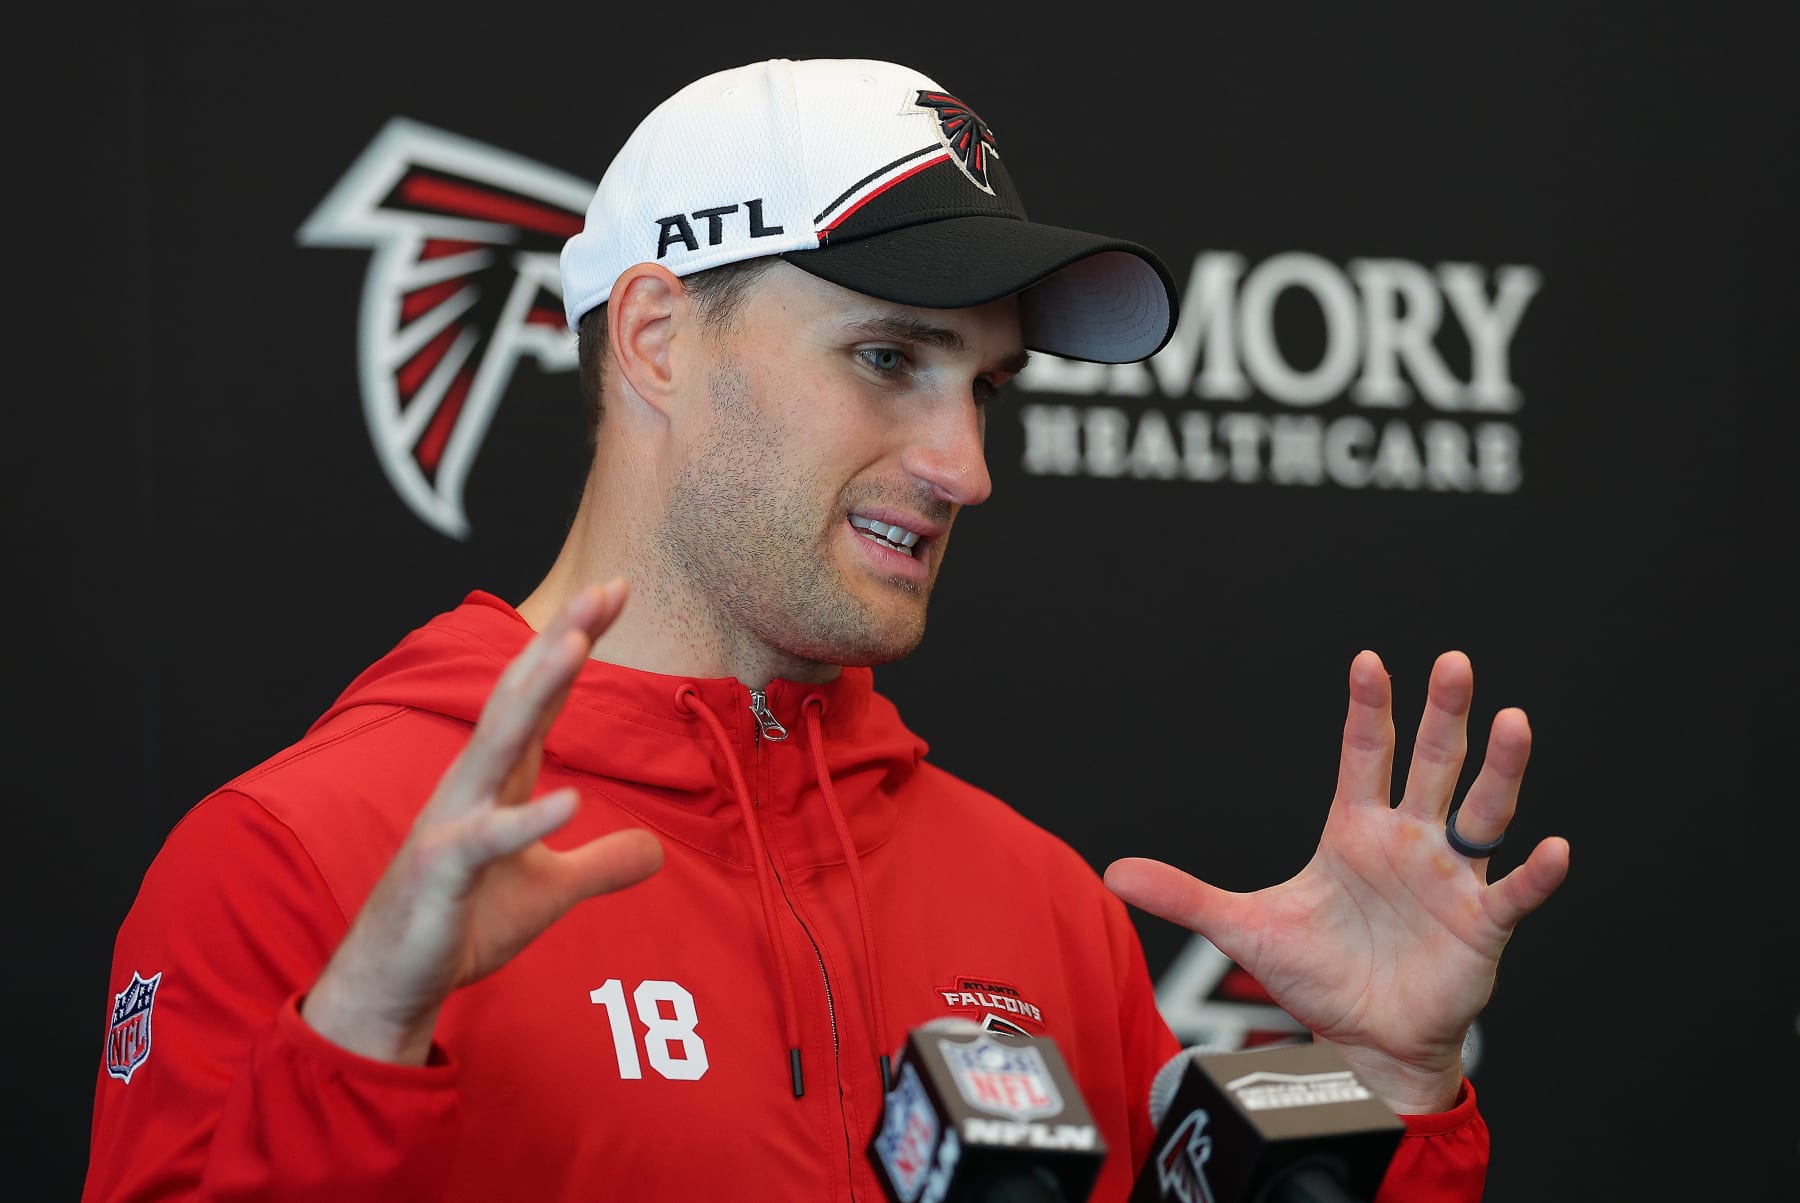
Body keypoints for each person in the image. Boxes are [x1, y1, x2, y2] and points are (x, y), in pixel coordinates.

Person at [83, 57, 1570, 1202]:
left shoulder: (1042, 902)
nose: (967, 468)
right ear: (659, 339)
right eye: (886, 357)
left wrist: (1388, 1094)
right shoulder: (302, 862)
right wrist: (353, 1049)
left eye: (980, 388)